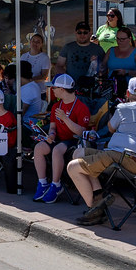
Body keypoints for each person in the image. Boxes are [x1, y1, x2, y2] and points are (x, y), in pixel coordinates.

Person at [66, 77, 136, 226]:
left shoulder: (123, 108)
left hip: (123, 159)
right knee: (78, 153)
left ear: (127, 93)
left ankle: (93, 209)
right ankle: (99, 197)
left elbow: (111, 128)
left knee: (72, 167)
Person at [33, 74, 91, 203]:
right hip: (59, 139)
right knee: (39, 147)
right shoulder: (56, 106)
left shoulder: (81, 107)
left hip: (74, 141)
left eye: (54, 88)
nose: (52, 90)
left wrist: (65, 119)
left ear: (62, 89)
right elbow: (53, 127)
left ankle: (56, 184)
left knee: (57, 149)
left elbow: (82, 132)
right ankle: (42, 183)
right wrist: (51, 135)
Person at [102, 26, 136, 96]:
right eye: (118, 39)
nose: (119, 41)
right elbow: (103, 68)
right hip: (111, 89)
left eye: (122, 39)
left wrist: (126, 72)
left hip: (131, 90)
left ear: (129, 39)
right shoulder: (111, 50)